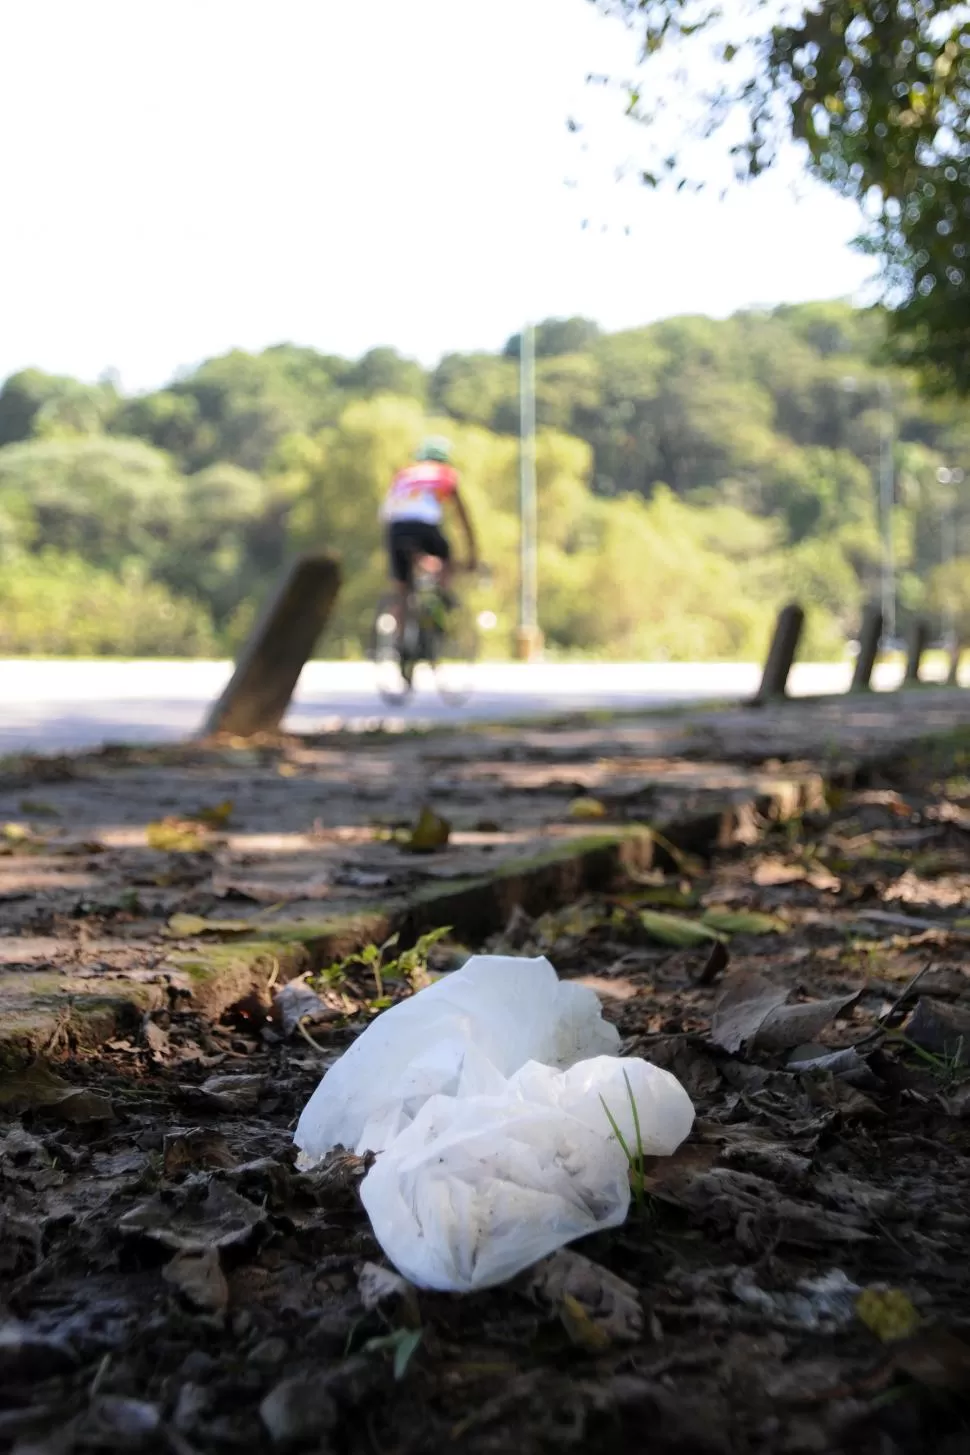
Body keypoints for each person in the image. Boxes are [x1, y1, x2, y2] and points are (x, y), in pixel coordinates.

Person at [381, 436, 477, 625]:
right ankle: (442, 590)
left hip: (395, 527)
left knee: (402, 587)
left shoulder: (404, 473)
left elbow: (386, 510)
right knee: (445, 559)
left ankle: (396, 637)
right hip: (425, 526)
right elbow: (462, 515)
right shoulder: (445, 473)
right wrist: (472, 552)